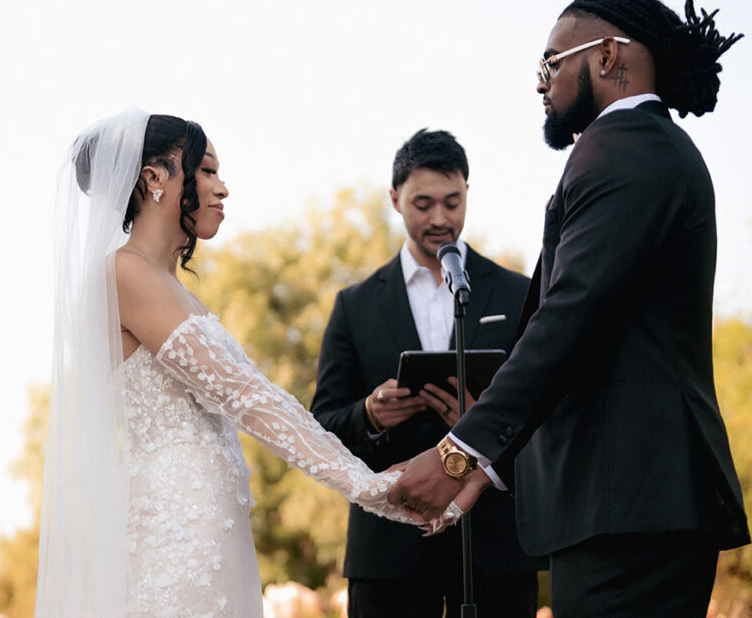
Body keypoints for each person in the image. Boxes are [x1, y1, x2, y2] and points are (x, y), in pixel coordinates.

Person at [389, 0, 751, 617]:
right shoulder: (637, 149)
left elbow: (570, 318)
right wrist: (489, 466)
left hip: (631, 504)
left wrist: (459, 450)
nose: (542, 83)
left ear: (609, 56)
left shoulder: (625, 148)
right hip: (629, 504)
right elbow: (588, 328)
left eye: (552, 62)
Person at [34, 109, 463, 618]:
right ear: (154, 179)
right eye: (207, 170)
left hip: (213, 523)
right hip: (177, 528)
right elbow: (249, 399)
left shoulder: (170, 287)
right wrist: (366, 485)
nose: (222, 188)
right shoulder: (125, 273)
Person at [311, 128, 542, 618]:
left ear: (467, 195)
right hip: (388, 553)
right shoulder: (354, 307)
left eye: (452, 202)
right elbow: (321, 426)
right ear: (395, 199)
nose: (440, 218)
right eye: (423, 203)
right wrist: (371, 415)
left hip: (495, 549)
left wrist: (485, 425)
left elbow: (547, 415)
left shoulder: (518, 293)